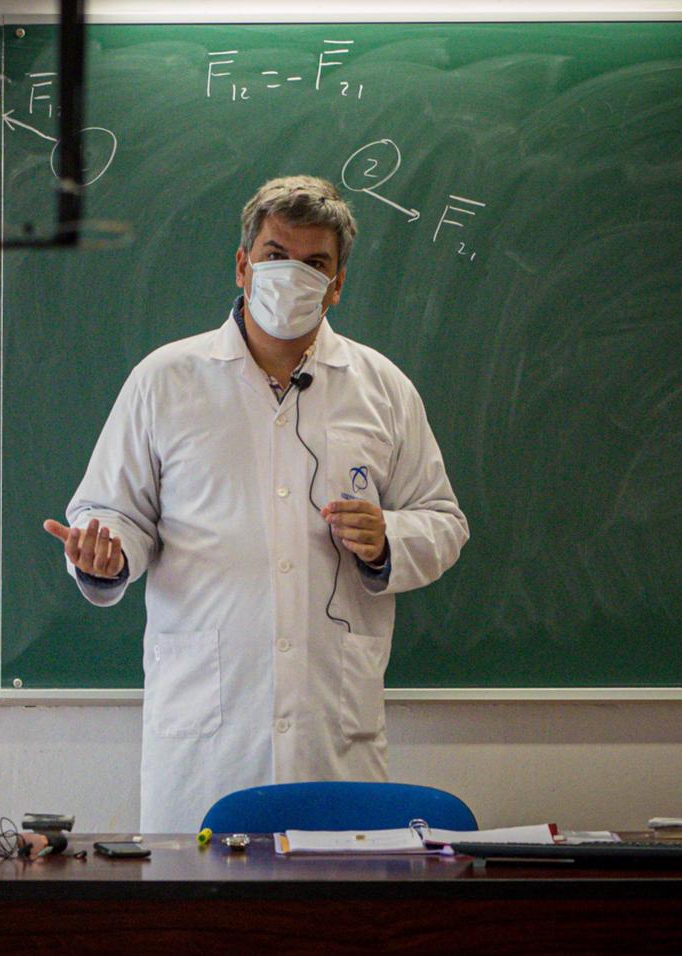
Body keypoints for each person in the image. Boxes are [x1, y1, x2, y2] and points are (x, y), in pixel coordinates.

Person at [42, 176, 470, 833]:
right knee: (199, 924)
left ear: (337, 283)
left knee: (334, 925)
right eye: (275, 256)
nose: (290, 274)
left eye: (314, 263)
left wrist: (388, 540)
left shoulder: (381, 388)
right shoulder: (166, 380)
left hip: (334, 731)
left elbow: (442, 522)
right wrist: (105, 556)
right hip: (205, 740)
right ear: (243, 265)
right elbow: (115, 515)